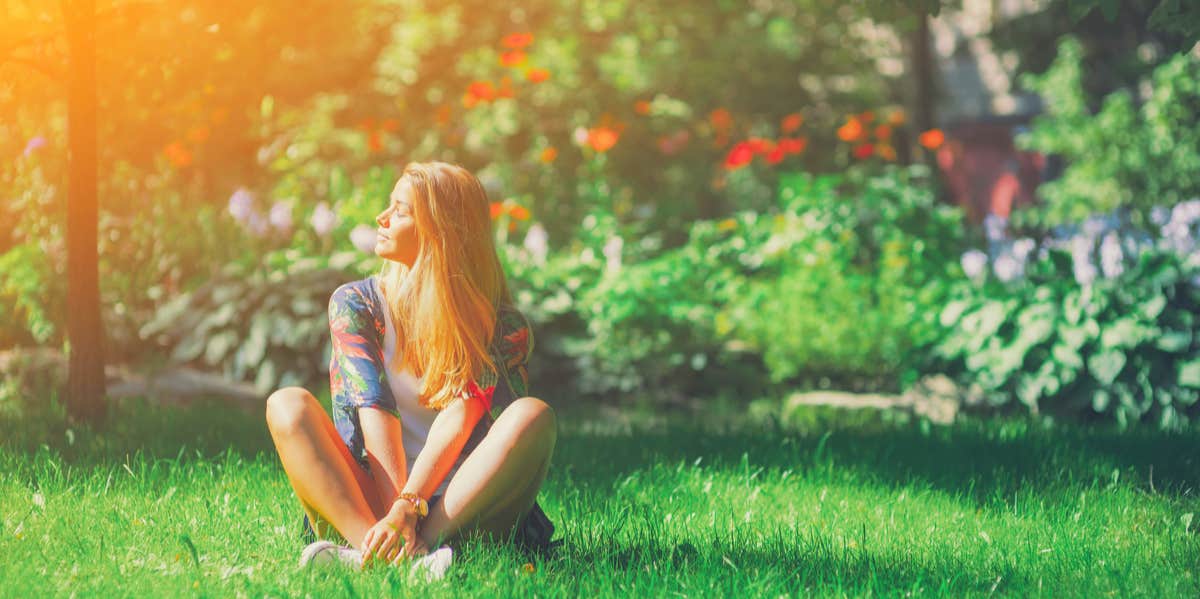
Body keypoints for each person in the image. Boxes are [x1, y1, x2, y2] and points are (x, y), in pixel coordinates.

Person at [265, 161, 557, 572]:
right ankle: (384, 552)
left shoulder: (500, 325)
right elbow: (374, 411)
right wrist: (393, 517)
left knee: (533, 416)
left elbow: (460, 418)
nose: (381, 219)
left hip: (463, 502)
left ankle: (413, 552)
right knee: (286, 405)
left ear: (441, 232)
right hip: (374, 505)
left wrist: (412, 510)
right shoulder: (356, 305)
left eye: (400, 211)